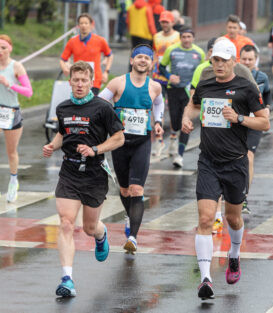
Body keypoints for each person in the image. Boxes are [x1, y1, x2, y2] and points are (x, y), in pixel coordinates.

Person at [181, 39, 269, 300]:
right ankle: (206, 278)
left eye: (223, 60)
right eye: (215, 60)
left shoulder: (246, 88)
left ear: (233, 62)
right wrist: (187, 118)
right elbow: (193, 105)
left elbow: (265, 122)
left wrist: (239, 118)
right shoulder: (205, 84)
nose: (218, 64)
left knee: (233, 217)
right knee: (206, 219)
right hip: (208, 161)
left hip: (235, 163)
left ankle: (234, 254)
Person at [42, 61, 125, 297]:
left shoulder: (102, 108)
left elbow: (118, 138)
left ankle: (101, 234)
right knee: (66, 223)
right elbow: (62, 132)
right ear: (70, 82)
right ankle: (67, 279)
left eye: (84, 80)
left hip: (95, 173)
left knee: (89, 227)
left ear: (91, 82)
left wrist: (96, 149)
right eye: (75, 80)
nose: (79, 84)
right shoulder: (63, 108)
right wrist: (52, 145)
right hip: (69, 171)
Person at [99, 45, 164, 253]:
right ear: (131, 60)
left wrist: (158, 121)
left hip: (142, 142)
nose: (143, 60)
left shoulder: (155, 87)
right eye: (139, 57)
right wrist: (109, 122)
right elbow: (100, 102)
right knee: (125, 189)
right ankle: (129, 215)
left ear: (151, 63)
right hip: (119, 142)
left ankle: (133, 237)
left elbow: (159, 104)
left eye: (147, 58)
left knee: (137, 190)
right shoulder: (118, 82)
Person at [159, 27, 205, 168]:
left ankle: (179, 155)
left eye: (189, 37)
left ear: (193, 38)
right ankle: (173, 137)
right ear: (180, 38)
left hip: (189, 92)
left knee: (186, 122)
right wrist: (169, 76)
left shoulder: (199, 53)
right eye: (184, 37)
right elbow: (161, 66)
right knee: (175, 120)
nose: (186, 39)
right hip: (174, 90)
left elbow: (204, 71)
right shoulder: (171, 50)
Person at [0, 34, 33, 202]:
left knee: (11, 151)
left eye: (3, 48)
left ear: (10, 49)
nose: (0, 51)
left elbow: (28, 92)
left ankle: (13, 181)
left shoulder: (16, 67)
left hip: (10, 112)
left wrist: (9, 84)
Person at [239, 44, 271, 214]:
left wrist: (267, 108)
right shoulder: (234, 76)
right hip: (236, 122)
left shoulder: (262, 77)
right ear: (239, 59)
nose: (247, 61)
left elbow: (267, 96)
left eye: (250, 59)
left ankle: (244, 197)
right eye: (244, 58)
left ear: (255, 59)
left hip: (254, 122)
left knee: (249, 157)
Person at [60, 13, 113, 95]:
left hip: (94, 80)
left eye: (86, 23)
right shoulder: (72, 42)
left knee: (91, 105)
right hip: (78, 80)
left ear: (91, 25)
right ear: (78, 26)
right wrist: (64, 68)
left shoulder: (100, 40)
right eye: (81, 23)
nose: (83, 26)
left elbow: (110, 55)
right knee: (79, 105)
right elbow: (63, 59)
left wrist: (106, 72)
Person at [152, 10, 180, 157]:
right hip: (158, 77)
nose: (164, 24)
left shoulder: (178, 37)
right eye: (162, 21)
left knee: (174, 109)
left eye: (167, 21)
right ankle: (159, 139)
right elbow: (155, 55)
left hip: (173, 77)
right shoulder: (156, 36)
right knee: (158, 105)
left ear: (172, 23)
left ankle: (174, 137)